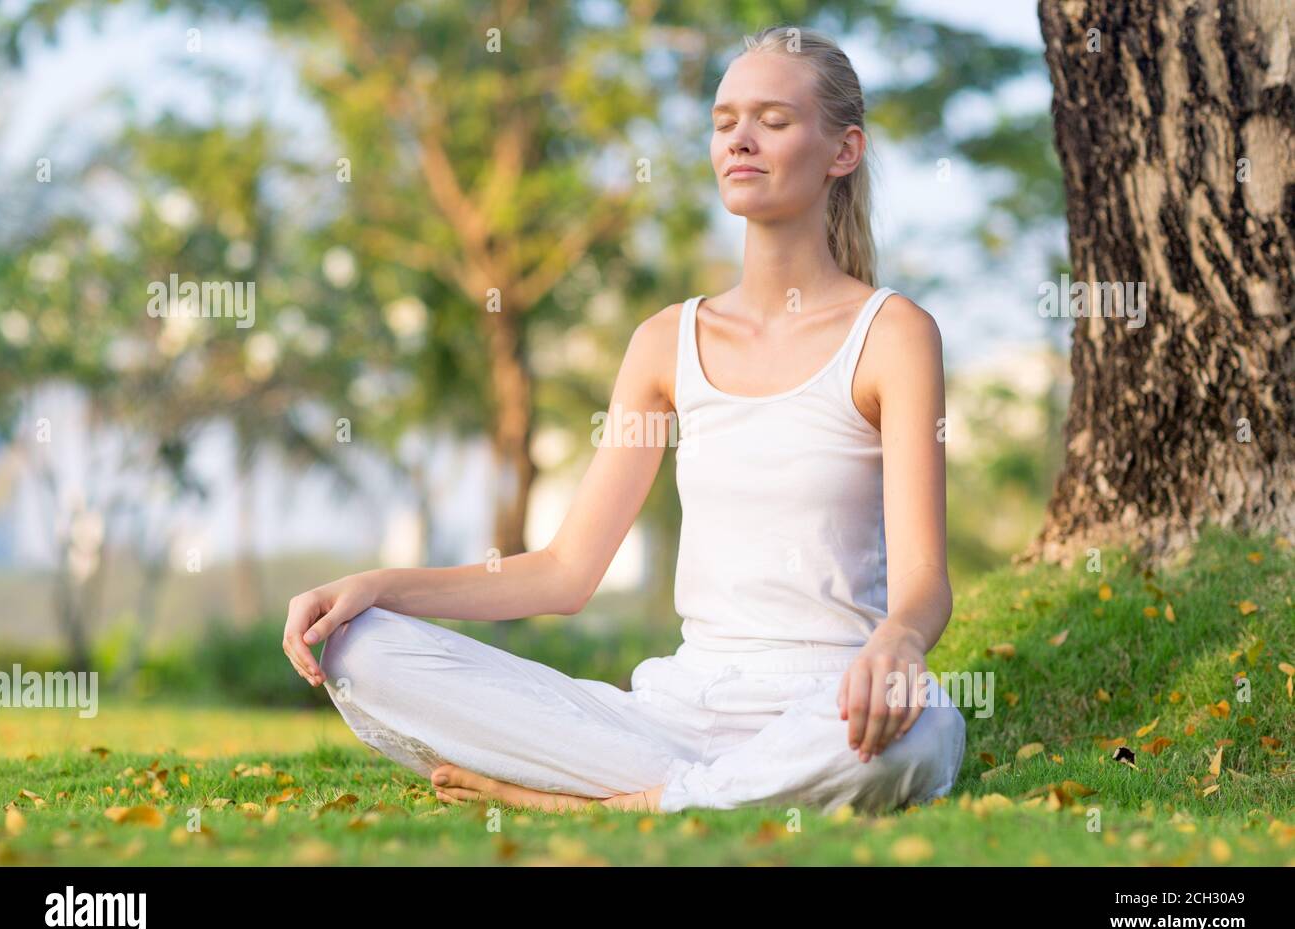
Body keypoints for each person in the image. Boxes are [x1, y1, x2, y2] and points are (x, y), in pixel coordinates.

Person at [281, 24, 966, 815]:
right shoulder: (663, 344)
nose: (740, 138)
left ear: (842, 151)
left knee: (922, 730)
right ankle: (696, 794)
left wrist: (898, 641)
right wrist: (374, 587)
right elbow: (565, 572)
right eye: (723, 121)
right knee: (362, 646)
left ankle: (616, 803)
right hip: (673, 715)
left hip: (830, 706)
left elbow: (923, 585)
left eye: (773, 120)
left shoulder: (892, 334)